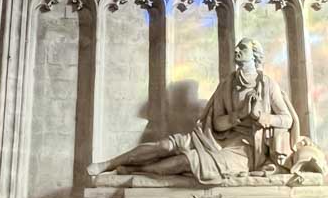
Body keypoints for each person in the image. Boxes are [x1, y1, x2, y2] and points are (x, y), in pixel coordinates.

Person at [87, 39, 301, 184]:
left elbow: (287, 120)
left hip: (244, 151)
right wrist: (238, 116)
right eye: (236, 48)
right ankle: (108, 164)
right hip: (215, 138)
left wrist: (259, 117)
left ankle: (133, 172)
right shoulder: (228, 84)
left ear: (254, 55)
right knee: (167, 144)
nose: (236, 51)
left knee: (185, 161)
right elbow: (217, 123)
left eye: (242, 49)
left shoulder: (267, 85)